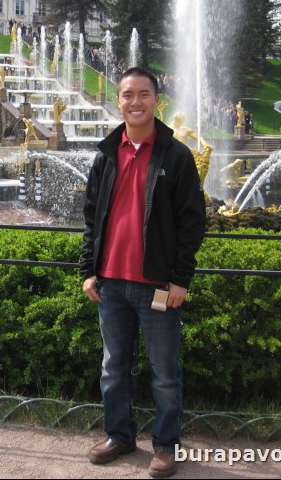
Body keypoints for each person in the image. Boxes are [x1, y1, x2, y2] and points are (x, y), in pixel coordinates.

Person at [81, 67, 206, 478]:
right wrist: (88, 271)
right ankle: (119, 436)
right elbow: (90, 218)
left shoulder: (176, 156)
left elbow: (192, 223)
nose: (135, 102)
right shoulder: (105, 154)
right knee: (113, 367)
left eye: (144, 94)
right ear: (118, 100)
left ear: (157, 100)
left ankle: (166, 445)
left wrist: (180, 278)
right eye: (128, 95)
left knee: (165, 372)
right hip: (111, 283)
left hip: (156, 284)